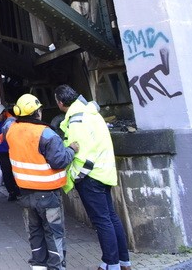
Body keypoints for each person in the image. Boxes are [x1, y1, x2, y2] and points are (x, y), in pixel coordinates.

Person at [54, 84, 132, 270]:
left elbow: (83, 153)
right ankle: (123, 262)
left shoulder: (76, 120)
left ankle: (111, 264)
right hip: (104, 173)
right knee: (111, 217)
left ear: (60, 102)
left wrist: (75, 177)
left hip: (91, 177)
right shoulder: (90, 113)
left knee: (102, 221)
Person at [7, 93, 78, 270]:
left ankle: (38, 266)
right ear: (37, 112)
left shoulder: (11, 130)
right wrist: (72, 149)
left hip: (25, 194)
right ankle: (56, 267)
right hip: (47, 194)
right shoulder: (46, 133)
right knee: (54, 234)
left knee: (35, 233)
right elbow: (59, 160)